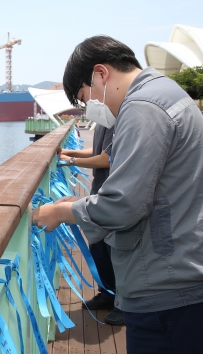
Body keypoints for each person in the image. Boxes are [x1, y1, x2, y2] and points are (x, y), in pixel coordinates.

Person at [33, 36, 203, 354]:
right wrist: (78, 203)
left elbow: (124, 204)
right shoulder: (163, 93)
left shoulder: (143, 107)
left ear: (101, 74)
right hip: (196, 288)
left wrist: (59, 212)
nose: (91, 109)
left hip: (175, 301)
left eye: (86, 99)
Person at [59, 124, 124, 326]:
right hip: (100, 192)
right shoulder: (104, 122)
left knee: (117, 253)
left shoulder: (119, 118)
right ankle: (107, 293)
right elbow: (99, 151)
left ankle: (124, 305)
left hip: (115, 196)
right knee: (98, 248)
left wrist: (70, 160)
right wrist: (71, 151)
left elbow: (106, 159)